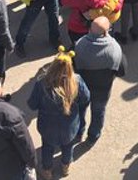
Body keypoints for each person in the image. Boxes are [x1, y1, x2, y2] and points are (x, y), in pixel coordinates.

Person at [27, 48, 90, 179]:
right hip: (70, 127)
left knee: (47, 148)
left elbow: (32, 104)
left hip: (48, 127)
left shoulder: (42, 83)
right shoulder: (76, 81)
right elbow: (86, 97)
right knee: (68, 147)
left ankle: (47, 170)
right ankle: (65, 166)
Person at [74, 17, 127, 143]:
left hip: (81, 89)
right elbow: (122, 71)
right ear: (106, 32)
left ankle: (78, 132)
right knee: (98, 113)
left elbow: (72, 67)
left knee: (80, 111)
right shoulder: (114, 48)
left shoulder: (79, 45)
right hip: (102, 91)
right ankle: (93, 136)